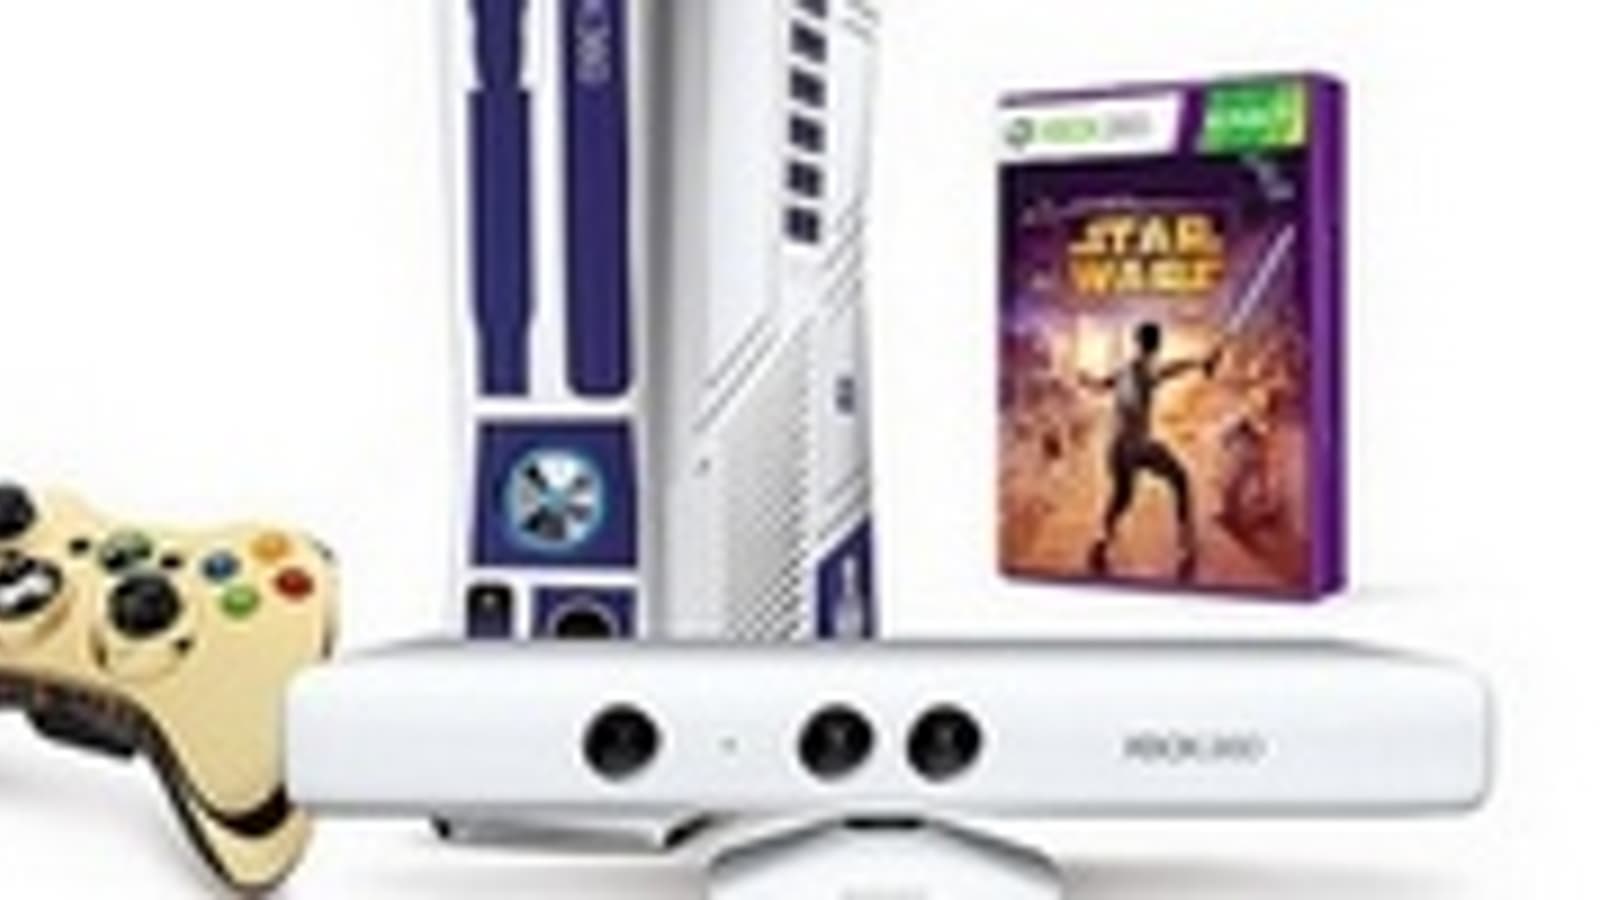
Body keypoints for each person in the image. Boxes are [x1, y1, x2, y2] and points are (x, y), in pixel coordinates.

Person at [1078, 322, 1223, 582]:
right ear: (1157, 345)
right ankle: (1185, 543)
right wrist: (1200, 363)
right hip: (1137, 445)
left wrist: (1087, 380)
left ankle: (1101, 541)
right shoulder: (1145, 368)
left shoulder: (1124, 370)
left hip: (1116, 447)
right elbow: (1170, 370)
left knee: (1123, 497)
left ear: (1138, 342)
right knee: (1180, 479)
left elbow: (1101, 385)